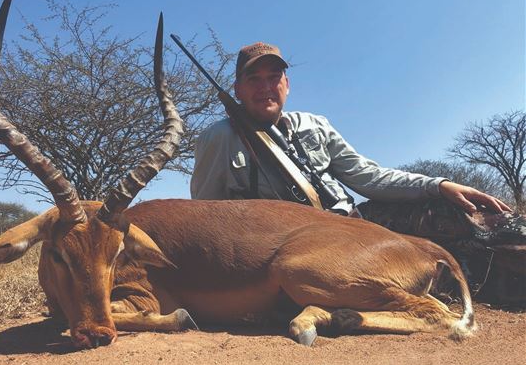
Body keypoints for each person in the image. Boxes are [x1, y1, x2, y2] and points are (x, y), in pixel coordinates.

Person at [191, 41, 511, 217]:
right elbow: (205, 216)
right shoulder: (218, 137)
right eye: (253, 79)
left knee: (458, 214)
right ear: (237, 90)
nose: (265, 88)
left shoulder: (315, 125)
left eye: (273, 77)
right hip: (285, 245)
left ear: (287, 84)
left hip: (351, 224)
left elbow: (368, 177)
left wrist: (439, 185)